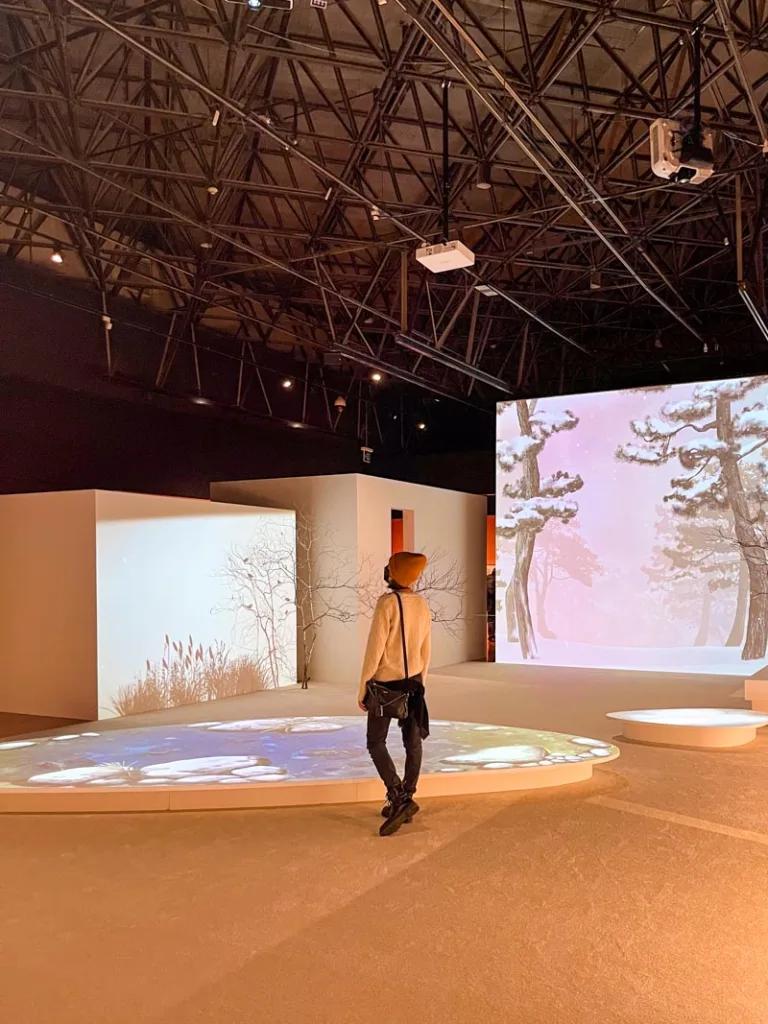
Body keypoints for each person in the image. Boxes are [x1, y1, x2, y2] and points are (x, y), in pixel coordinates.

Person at [358, 551, 431, 837]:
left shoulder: (387, 603)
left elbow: (375, 649)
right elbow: (426, 648)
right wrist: (421, 682)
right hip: (413, 682)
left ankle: (398, 796)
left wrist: (363, 686)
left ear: (395, 572)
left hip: (386, 684)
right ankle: (408, 795)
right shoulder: (422, 604)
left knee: (375, 742)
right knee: (412, 742)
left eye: (390, 565)